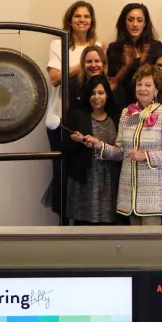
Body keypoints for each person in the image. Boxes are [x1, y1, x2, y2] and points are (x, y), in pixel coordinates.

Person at [85, 64, 162, 225]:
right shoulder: (126, 113)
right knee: (133, 240)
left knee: (150, 240)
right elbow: (121, 152)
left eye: (148, 85)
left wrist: (145, 156)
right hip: (129, 194)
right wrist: (100, 145)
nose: (143, 89)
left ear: (157, 89)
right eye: (139, 84)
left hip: (154, 195)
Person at [62, 75, 119, 225]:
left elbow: (121, 150)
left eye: (101, 93)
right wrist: (77, 140)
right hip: (84, 178)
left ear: (107, 95)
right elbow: (66, 147)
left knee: (108, 223)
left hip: (109, 179)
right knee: (83, 224)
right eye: (92, 93)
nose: (96, 97)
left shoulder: (116, 117)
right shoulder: (77, 115)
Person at [46, 0, 103, 127]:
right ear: (69, 21)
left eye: (86, 16)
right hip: (59, 115)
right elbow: (55, 79)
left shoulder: (98, 47)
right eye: (77, 16)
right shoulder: (58, 45)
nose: (82, 20)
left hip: (89, 114)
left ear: (91, 21)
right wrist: (84, 64)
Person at [106, 3, 162, 111]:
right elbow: (113, 83)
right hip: (122, 106)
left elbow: (159, 80)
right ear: (124, 23)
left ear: (145, 24)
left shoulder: (155, 47)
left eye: (139, 20)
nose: (135, 24)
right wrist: (126, 66)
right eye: (130, 20)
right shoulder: (114, 48)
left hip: (150, 107)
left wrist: (143, 64)